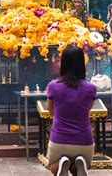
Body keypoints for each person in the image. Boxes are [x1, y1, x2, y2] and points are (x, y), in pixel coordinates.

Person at [46, 46, 96, 176]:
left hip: (59, 139)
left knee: (53, 165)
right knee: (81, 165)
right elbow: (87, 110)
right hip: (84, 140)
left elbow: (51, 112)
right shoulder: (90, 88)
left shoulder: (53, 86)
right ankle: (80, 164)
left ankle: (62, 163)